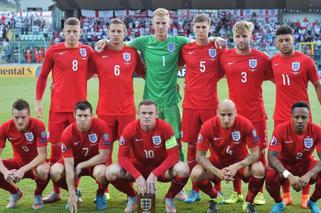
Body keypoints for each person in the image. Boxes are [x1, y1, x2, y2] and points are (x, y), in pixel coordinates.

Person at [35, 17, 94, 203]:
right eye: (68, 31)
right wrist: (38, 101)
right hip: (58, 110)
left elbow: (97, 69)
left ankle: (74, 190)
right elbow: (43, 76)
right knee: (56, 151)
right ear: (63, 32)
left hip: (79, 112)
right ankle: (57, 192)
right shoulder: (54, 50)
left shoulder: (87, 51)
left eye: (75, 31)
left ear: (80, 32)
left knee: (76, 151)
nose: (71, 35)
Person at [220, 20, 273, 205]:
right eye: (237, 36)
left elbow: (277, 79)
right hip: (234, 115)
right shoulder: (225, 56)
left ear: (252, 36)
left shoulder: (262, 58)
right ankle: (237, 192)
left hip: (256, 114)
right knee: (234, 152)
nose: (241, 40)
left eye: (244, 36)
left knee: (260, 153)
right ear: (233, 37)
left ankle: (258, 192)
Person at [105, 100, 189, 213]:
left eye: (150, 113)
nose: (147, 116)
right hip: (137, 168)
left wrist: (155, 173)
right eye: (143, 113)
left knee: (183, 169)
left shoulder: (166, 128)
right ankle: (133, 196)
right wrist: (137, 176)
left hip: (160, 169)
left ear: (157, 114)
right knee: (111, 172)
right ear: (138, 114)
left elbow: (174, 156)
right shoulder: (129, 129)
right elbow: (122, 157)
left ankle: (169, 198)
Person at [271, 25, 321, 208]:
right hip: (281, 117)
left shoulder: (306, 61)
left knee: (305, 156)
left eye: (287, 40)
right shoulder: (273, 61)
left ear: (293, 40)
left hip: (303, 116)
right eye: (281, 40)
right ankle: (286, 195)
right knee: (284, 157)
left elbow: (317, 84)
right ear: (276, 43)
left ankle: (305, 195)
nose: (284, 43)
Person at [191, 99, 265, 213]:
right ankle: (216, 197)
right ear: (217, 113)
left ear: (236, 112)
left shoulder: (245, 123)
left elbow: (255, 153)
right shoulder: (207, 126)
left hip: (240, 164)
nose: (226, 119)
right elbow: (200, 156)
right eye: (222, 115)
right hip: (217, 164)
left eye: (230, 114)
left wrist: (236, 166)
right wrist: (217, 172)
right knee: (196, 174)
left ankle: (248, 202)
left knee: (259, 169)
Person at [179, 14, 224, 203]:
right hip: (190, 105)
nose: (200, 30)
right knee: (191, 145)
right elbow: (174, 64)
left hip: (210, 105)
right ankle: (195, 190)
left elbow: (223, 70)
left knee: (215, 146)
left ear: (209, 27)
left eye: (204, 27)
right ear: (193, 28)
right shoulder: (186, 48)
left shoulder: (217, 48)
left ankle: (218, 188)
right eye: (197, 27)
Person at [91, 17, 145, 165]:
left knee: (128, 152)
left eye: (119, 31)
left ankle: (130, 187)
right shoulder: (98, 53)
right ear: (108, 32)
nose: (116, 34)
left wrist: (170, 83)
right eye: (113, 31)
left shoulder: (132, 53)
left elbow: (146, 74)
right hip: (105, 110)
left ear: (125, 33)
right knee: (104, 153)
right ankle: (103, 188)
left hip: (126, 111)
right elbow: (82, 74)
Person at [49, 101, 111, 212]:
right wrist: (71, 193)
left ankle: (100, 194)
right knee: (55, 171)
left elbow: (104, 156)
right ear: (74, 115)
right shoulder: (67, 133)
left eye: (86, 116)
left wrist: (82, 165)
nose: (83, 119)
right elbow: (68, 166)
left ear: (92, 116)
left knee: (102, 173)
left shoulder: (101, 126)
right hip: (74, 162)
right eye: (79, 116)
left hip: (95, 162)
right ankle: (75, 193)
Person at [266, 101, 321, 213]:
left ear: (309, 117)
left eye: (304, 117)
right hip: (285, 164)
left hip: (305, 164)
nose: (300, 120)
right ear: (291, 117)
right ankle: (279, 203)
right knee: (270, 173)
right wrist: (288, 175)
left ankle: (312, 201)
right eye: (296, 117)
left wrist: (309, 175)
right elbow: (271, 157)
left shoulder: (317, 130)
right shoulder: (280, 129)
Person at [0, 99, 50, 209]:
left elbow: (42, 156)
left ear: (29, 115)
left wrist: (23, 170)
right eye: (16, 117)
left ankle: (38, 195)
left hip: (36, 165)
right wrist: (5, 172)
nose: (20, 121)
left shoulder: (38, 125)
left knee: (44, 170)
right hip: (17, 163)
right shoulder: (5, 127)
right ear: (12, 116)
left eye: (23, 117)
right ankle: (15, 193)